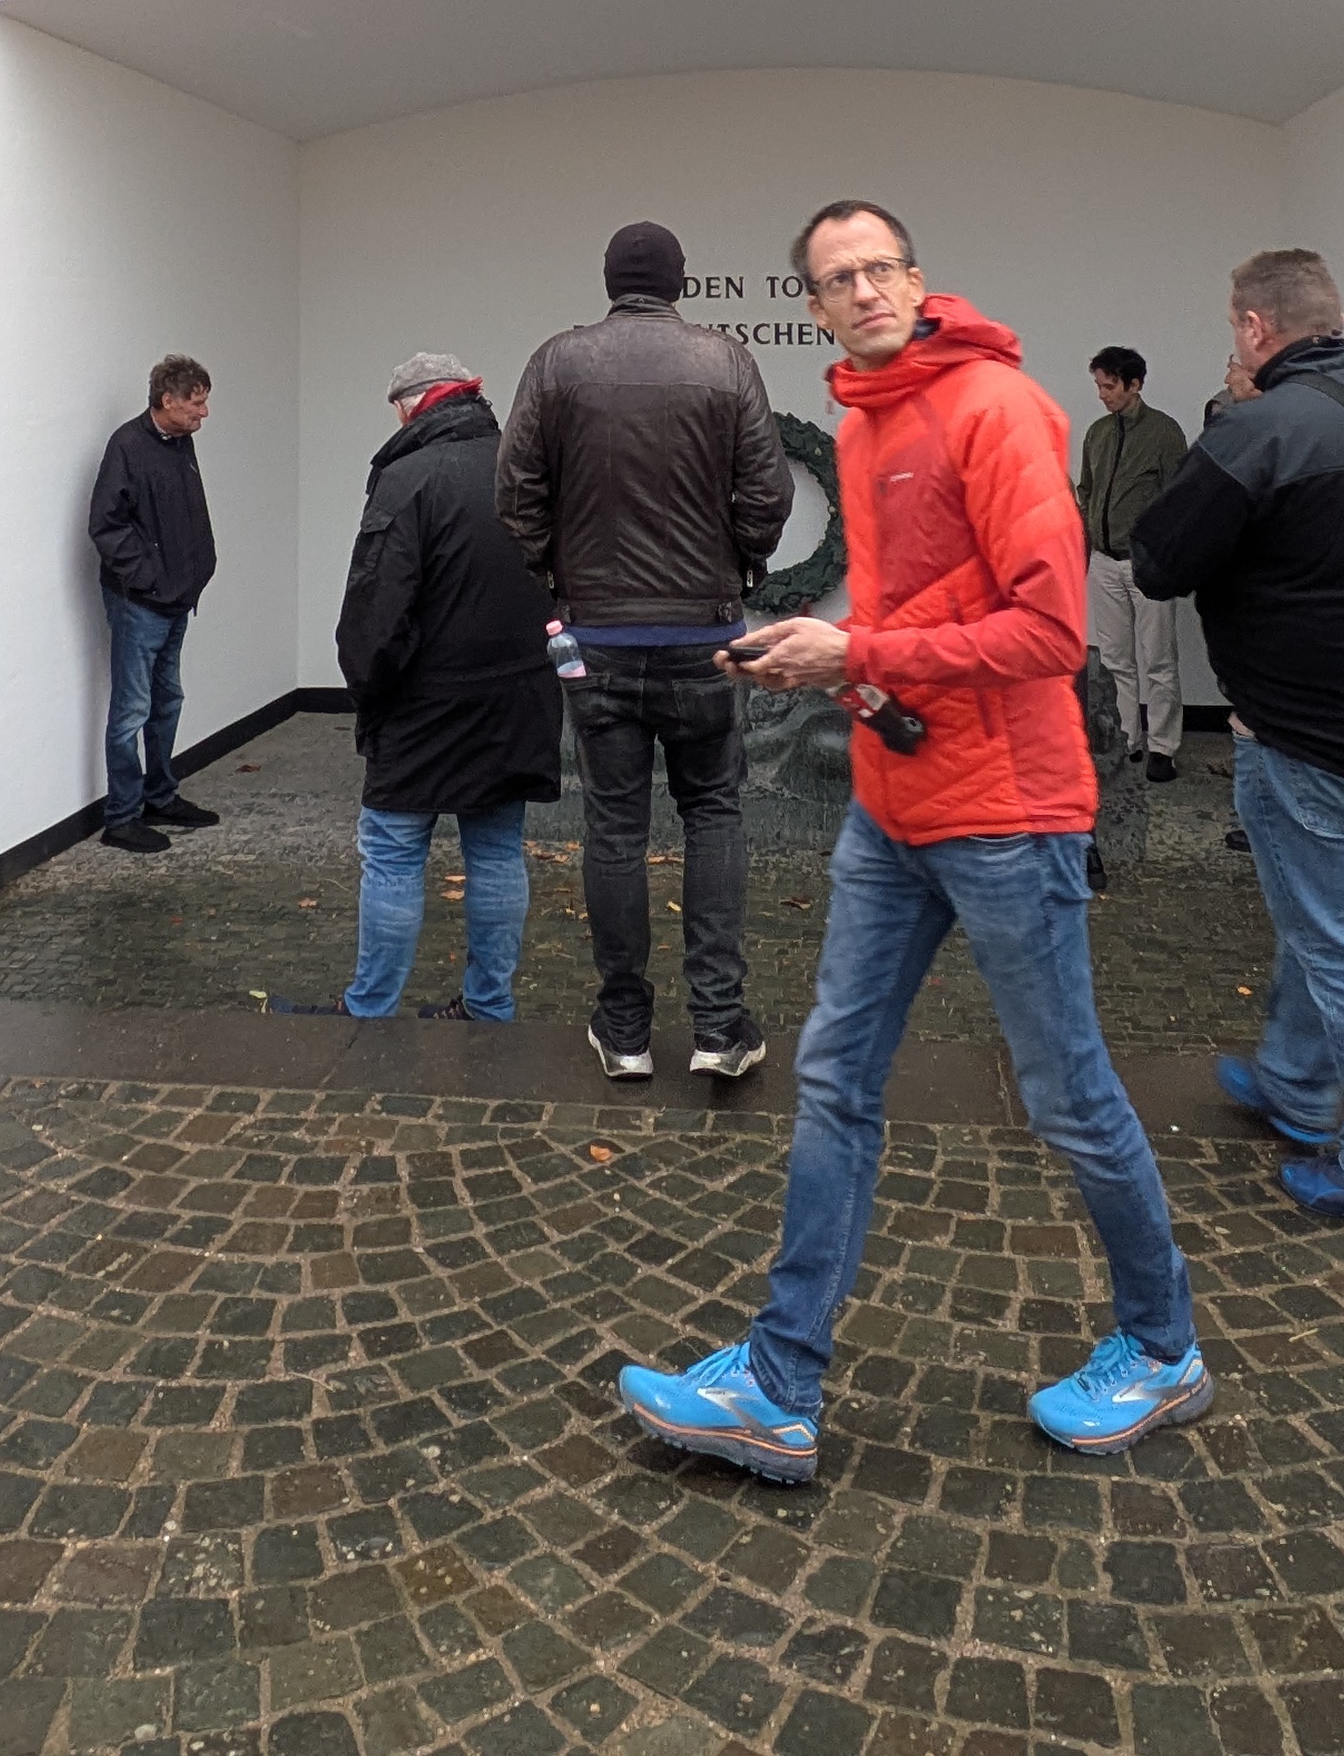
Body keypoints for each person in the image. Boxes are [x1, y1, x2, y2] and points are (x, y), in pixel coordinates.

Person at [613, 201, 1205, 1480]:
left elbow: (1048, 633)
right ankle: (778, 1381)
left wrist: (858, 650)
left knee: (1068, 1098)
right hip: (893, 807)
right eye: (839, 278)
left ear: (918, 280)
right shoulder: (864, 419)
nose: (865, 289)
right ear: (815, 308)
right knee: (833, 1079)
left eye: (880, 266)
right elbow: (905, 627)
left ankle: (1163, 1347)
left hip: (1007, 816)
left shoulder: (996, 406)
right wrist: (823, 662)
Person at [1128, 251, 1344, 1233]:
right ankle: (1293, 1078)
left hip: (1311, 733)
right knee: (1328, 920)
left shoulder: (1257, 430)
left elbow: (1158, 560)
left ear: (1253, 328)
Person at [497, 222, 791, 1081]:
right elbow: (767, 491)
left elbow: (515, 491)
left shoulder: (557, 363)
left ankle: (624, 1028)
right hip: (705, 635)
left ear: (608, 282)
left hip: (597, 638)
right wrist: (743, 562)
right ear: (679, 283)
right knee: (715, 814)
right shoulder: (725, 362)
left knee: (615, 827)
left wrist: (556, 572)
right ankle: (720, 1025)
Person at [309, 353, 555, 1022]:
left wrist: (369, 694)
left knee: (392, 854)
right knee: (497, 852)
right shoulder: (527, 468)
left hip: (422, 705)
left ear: (410, 406)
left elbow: (376, 611)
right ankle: (489, 1006)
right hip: (516, 698)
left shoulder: (407, 477)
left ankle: (371, 1006)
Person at [85, 358, 218, 854]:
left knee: (168, 701)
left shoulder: (180, 443)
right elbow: (106, 525)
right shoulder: (127, 446)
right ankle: (121, 817)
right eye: (196, 402)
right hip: (139, 602)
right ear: (167, 400)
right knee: (132, 709)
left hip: (176, 598)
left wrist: (194, 572)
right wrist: (149, 579)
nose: (204, 413)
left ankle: (160, 796)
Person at [1077, 347, 1188, 783]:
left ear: (1134, 385)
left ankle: (1163, 746)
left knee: (1158, 659)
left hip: (1147, 564)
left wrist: (1162, 552)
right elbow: (1087, 489)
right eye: (1099, 386)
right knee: (1115, 659)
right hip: (1103, 562)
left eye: (1109, 386)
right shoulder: (1098, 433)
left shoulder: (1164, 432)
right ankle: (1127, 739)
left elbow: (1178, 498)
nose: (1102, 394)